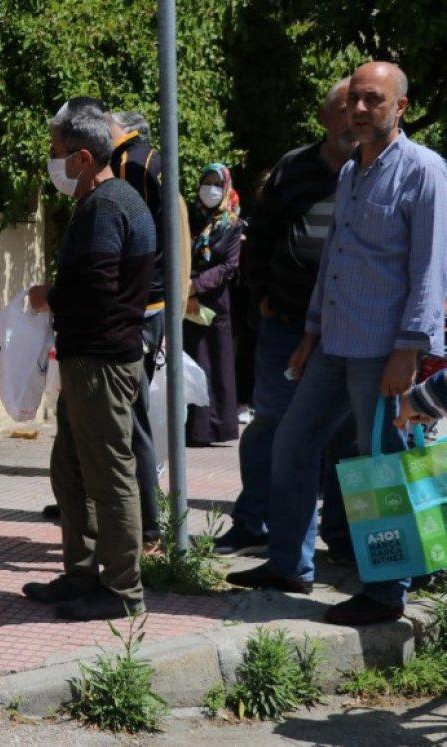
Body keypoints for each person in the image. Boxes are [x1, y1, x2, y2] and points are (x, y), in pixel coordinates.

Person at [227, 61, 447, 626]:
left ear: (400, 105)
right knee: (291, 444)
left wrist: (409, 350)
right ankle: (288, 565)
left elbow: (428, 269)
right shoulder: (351, 171)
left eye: (373, 99)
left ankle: (386, 591)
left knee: (378, 467)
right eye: (353, 99)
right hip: (334, 343)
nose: (359, 109)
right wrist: (313, 331)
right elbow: (335, 261)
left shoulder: (425, 171)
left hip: (385, 350)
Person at [21, 99, 156, 620]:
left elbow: (99, 291)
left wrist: (48, 296)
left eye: (57, 153)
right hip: (88, 358)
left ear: (81, 156)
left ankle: (122, 590)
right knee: (71, 470)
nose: (52, 162)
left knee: (108, 474)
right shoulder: (105, 200)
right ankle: (81, 573)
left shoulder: (108, 206)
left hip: (101, 361)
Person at [214, 79, 358, 557]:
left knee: (344, 431)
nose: (353, 115)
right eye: (343, 107)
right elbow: (264, 230)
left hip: (350, 327)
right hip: (286, 321)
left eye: (361, 105)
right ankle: (253, 518)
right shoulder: (294, 167)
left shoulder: (377, 168)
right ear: (324, 118)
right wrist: (262, 297)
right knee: (273, 420)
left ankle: (338, 536)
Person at [109, 108, 166, 546]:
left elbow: (132, 233)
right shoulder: (152, 160)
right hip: (150, 300)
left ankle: (148, 525)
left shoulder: (131, 165)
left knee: (131, 416)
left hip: (140, 304)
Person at [183, 163, 243, 446]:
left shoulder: (232, 225)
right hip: (186, 302)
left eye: (216, 184)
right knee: (191, 361)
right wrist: (185, 287)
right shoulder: (190, 220)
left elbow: (229, 266)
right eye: (206, 182)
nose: (210, 189)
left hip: (213, 303)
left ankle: (215, 429)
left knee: (214, 365)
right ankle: (190, 428)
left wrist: (197, 285)